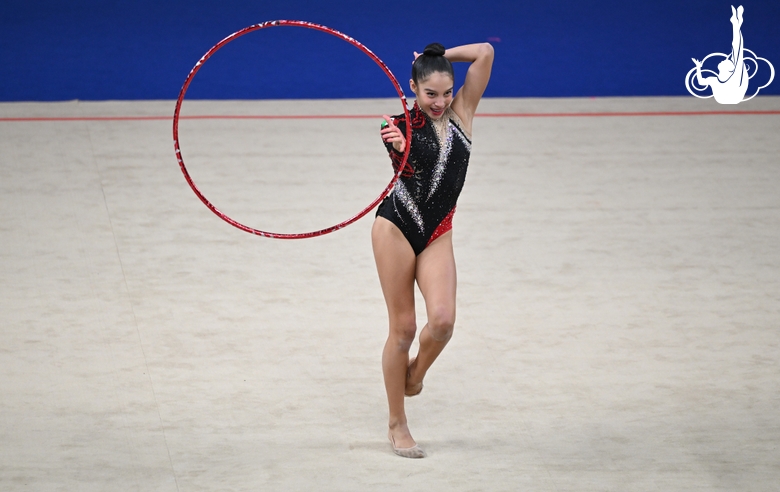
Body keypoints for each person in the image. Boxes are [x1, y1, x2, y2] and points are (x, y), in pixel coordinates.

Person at [372, 41, 494, 458]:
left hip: (438, 231)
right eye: (430, 94)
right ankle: (396, 422)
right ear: (412, 89)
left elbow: (485, 53)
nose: (440, 102)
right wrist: (399, 148)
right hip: (396, 228)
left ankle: (415, 375)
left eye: (446, 92)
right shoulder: (400, 125)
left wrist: (434, 54)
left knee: (442, 322)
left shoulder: (463, 115)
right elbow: (402, 157)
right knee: (403, 328)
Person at [692, 5, 748, 104]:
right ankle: (736, 24)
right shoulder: (714, 80)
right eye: (727, 60)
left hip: (733, 98)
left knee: (737, 50)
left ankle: (736, 24)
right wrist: (698, 67)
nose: (724, 59)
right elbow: (701, 82)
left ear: (729, 69)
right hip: (727, 99)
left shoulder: (734, 77)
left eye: (727, 61)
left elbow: (737, 48)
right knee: (736, 51)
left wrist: (736, 26)